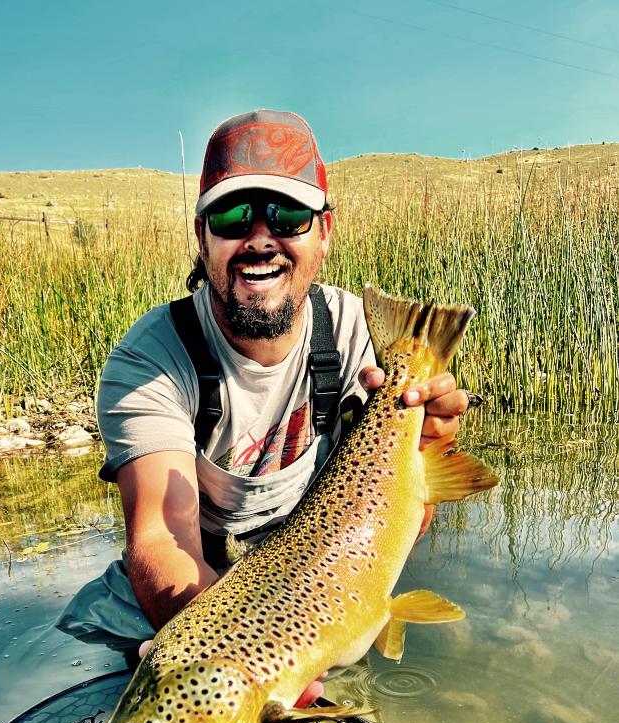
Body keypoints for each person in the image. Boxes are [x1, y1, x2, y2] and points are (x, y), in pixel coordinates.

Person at [57, 109, 470, 682]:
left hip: (313, 580)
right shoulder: (150, 361)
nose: (258, 239)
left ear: (324, 233)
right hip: (188, 595)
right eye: (230, 216)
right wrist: (234, 667)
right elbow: (159, 536)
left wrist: (426, 452)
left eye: (288, 215)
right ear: (201, 239)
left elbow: (389, 527)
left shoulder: (362, 336)